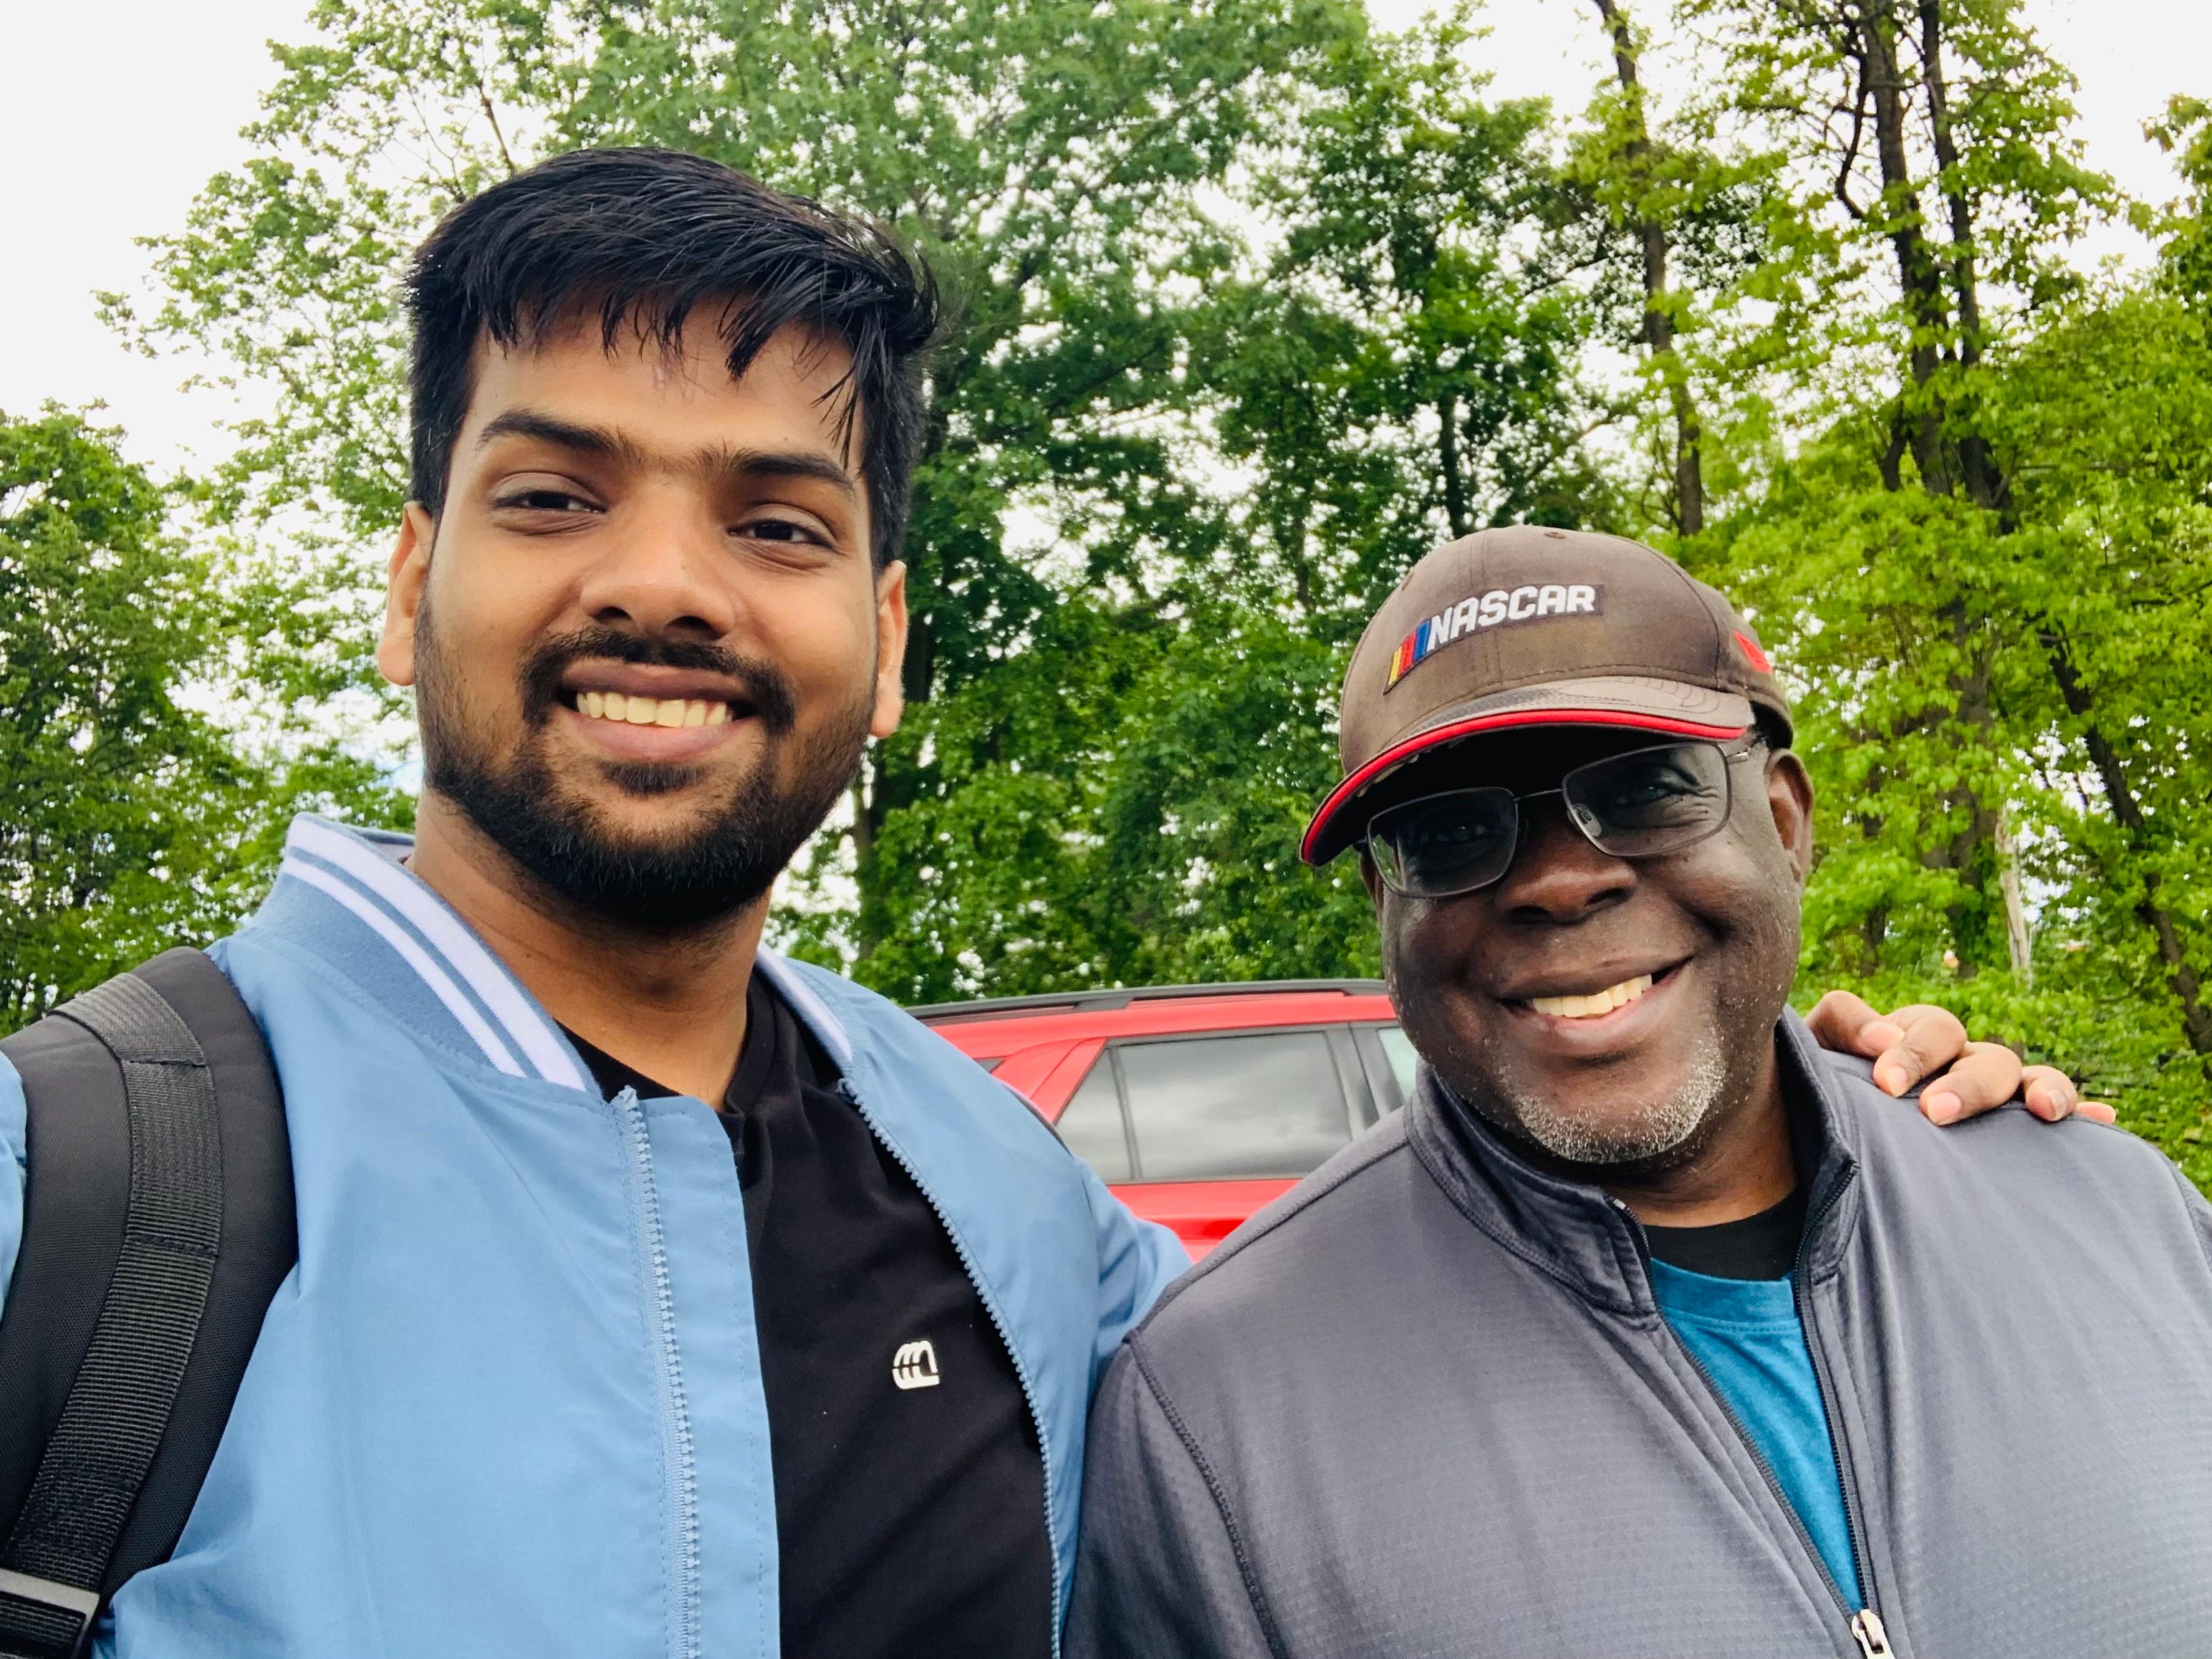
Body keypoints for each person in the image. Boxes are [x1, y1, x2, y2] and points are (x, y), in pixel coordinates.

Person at [0, 154, 2084, 1658]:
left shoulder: (992, 1181)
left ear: (886, 640)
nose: (662, 585)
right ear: (407, 584)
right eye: (554, 495)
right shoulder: (74, 1195)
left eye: (777, 521)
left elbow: (1425, 1342)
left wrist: (1845, 1141)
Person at [1065, 526, 2212, 1659]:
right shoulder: (1212, 1419)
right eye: (1450, 829)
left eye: (1646, 788)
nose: (1562, 881)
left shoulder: (2122, 1217)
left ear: (1785, 820)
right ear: (1384, 900)